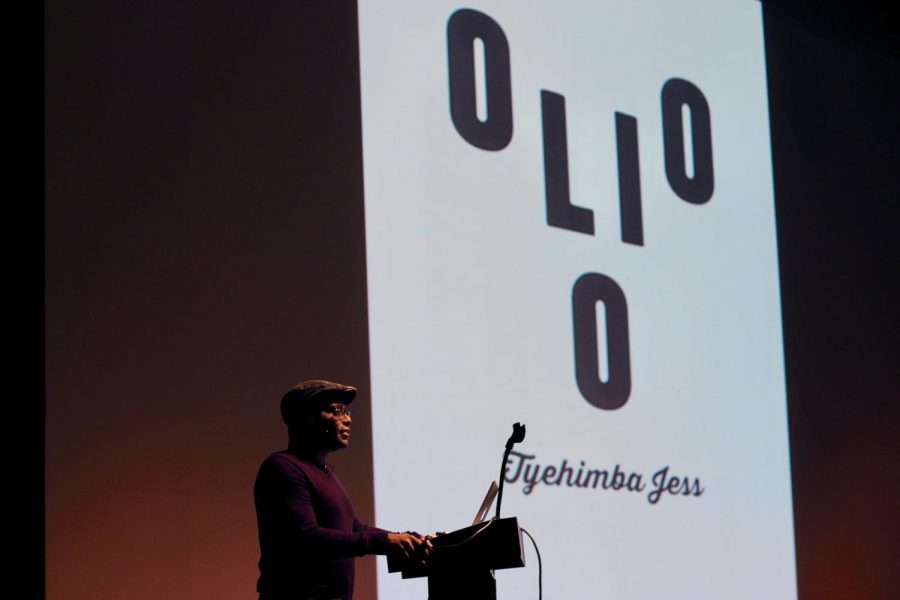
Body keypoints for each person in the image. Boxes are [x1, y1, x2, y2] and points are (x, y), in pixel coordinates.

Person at [254, 379, 428, 600]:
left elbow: (353, 526)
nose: (347, 419)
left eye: (347, 411)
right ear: (307, 417)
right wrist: (385, 542)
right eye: (337, 411)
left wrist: (399, 538)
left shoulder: (325, 471)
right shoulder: (283, 468)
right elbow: (306, 538)